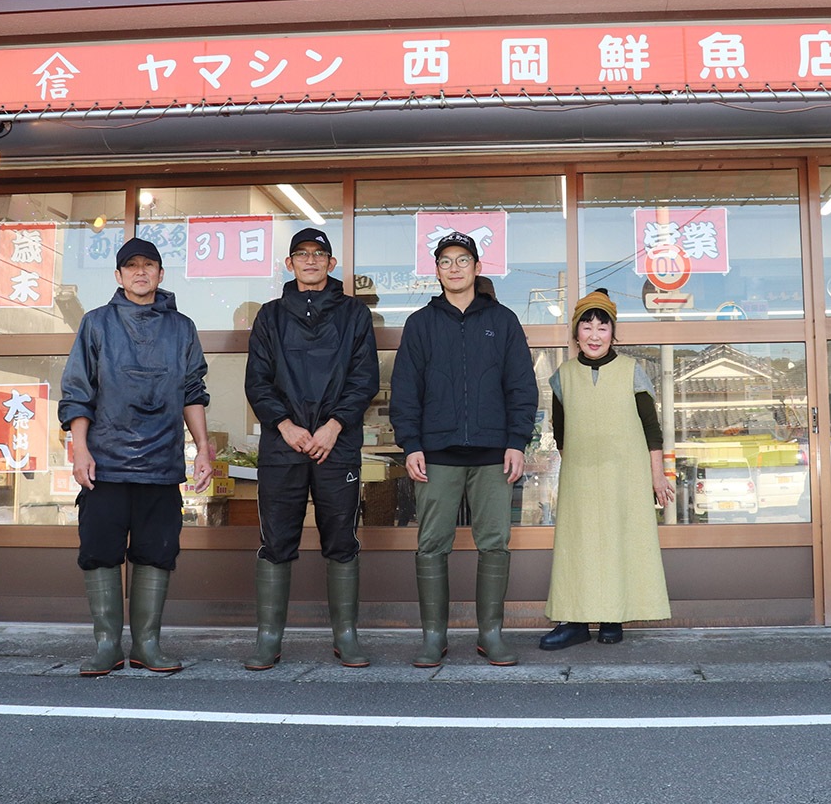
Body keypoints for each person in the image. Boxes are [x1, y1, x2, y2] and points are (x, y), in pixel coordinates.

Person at [59, 237, 212, 676]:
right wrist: (81, 450)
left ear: (161, 274)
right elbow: (77, 395)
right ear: (119, 276)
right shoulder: (96, 323)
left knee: (157, 552)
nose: (141, 272)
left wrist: (202, 449)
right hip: (104, 463)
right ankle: (107, 644)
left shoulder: (182, 327)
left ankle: (147, 644)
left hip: (162, 464)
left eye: (149, 265)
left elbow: (192, 392)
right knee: (100, 551)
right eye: (132, 266)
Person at [390, 231, 538, 667]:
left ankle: (490, 633)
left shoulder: (503, 320)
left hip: (493, 454)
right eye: (445, 262)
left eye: (462, 260)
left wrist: (516, 441)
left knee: (494, 543)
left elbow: (521, 387)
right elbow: (404, 390)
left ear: (476, 267)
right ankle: (433, 636)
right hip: (436, 455)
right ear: (436, 271)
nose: (454, 268)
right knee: (431, 544)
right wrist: (411, 444)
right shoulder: (421, 323)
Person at [243, 227, 380, 670]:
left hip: (335, 444)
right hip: (283, 444)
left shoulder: (354, 315)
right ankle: (268, 638)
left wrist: (334, 425)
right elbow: (257, 381)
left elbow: (364, 380)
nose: (310, 260)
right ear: (289, 264)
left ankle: (346, 636)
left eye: (319, 254)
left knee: (341, 538)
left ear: (331, 263)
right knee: (276, 539)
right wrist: (284, 424)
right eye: (301, 254)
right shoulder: (270, 316)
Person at [539, 288, 672, 651]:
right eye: (587, 327)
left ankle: (613, 617)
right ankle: (575, 620)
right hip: (580, 476)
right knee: (577, 547)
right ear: (576, 333)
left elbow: (651, 428)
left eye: (602, 327)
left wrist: (656, 475)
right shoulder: (562, 377)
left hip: (625, 474)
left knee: (618, 542)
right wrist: (574, 472)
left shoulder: (632, 371)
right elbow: (561, 433)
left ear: (613, 333)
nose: (594, 335)